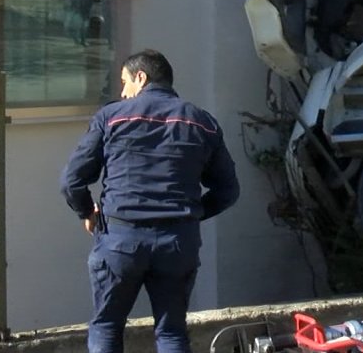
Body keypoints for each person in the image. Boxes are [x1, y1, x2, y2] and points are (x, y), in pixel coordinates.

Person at [60, 50, 239, 353]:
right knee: (171, 332)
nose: (122, 91)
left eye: (124, 82)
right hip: (178, 241)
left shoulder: (112, 117)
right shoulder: (202, 122)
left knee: (106, 326)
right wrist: (189, 216)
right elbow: (228, 191)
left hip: (120, 239)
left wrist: (86, 211)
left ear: (140, 77)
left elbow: (72, 180)